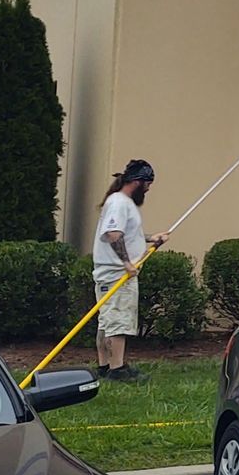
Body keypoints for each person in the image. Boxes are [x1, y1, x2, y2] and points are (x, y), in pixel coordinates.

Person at [93, 159, 168, 382]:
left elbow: (126, 233)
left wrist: (151, 239)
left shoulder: (122, 203)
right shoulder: (119, 202)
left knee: (107, 320)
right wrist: (127, 264)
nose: (148, 188)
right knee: (117, 320)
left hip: (115, 271)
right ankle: (117, 370)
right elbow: (114, 234)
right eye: (147, 183)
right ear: (137, 182)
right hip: (117, 273)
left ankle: (105, 366)